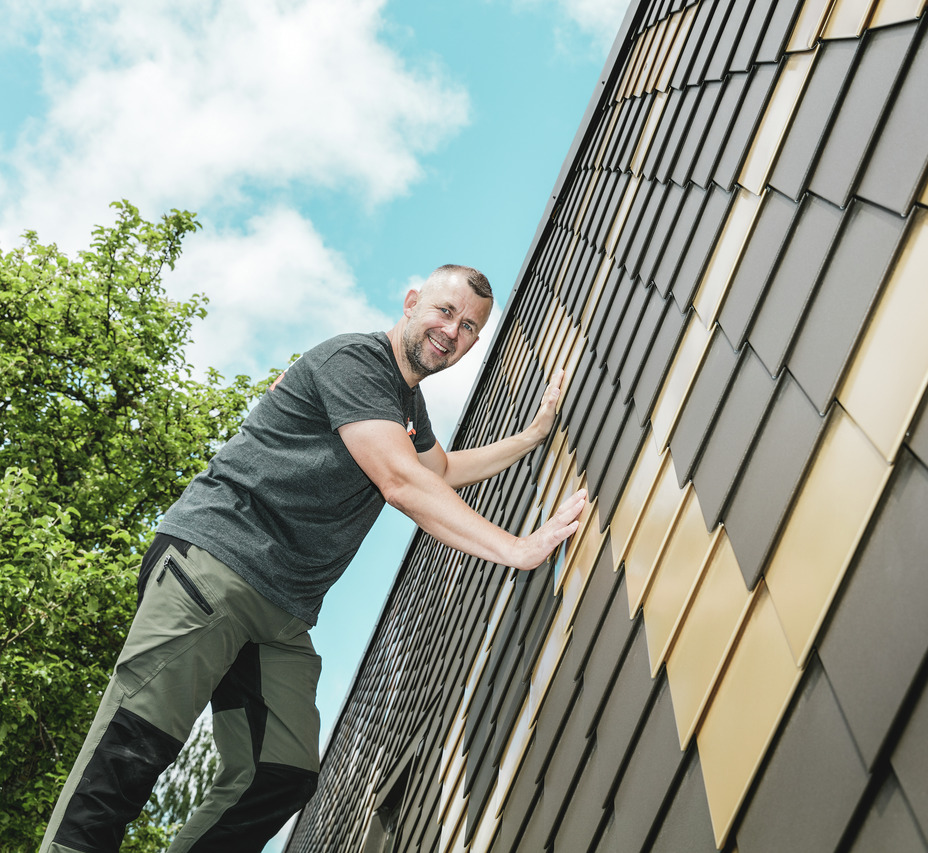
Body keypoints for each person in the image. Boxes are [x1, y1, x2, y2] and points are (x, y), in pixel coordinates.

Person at [40, 264, 587, 852]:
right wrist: (518, 549)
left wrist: (532, 436)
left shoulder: (404, 405)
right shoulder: (354, 362)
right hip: (216, 567)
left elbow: (442, 472)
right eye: (445, 312)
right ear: (411, 303)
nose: (452, 332)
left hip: (280, 611)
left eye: (470, 327)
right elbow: (401, 482)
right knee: (132, 747)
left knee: (281, 773)